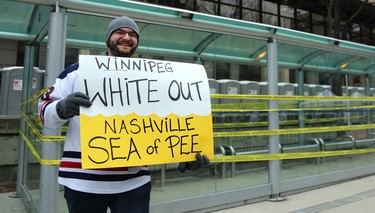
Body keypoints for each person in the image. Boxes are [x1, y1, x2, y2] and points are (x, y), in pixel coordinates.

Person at [39, 16, 209, 213]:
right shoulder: (76, 72)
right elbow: (43, 111)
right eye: (120, 32)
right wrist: (62, 108)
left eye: (132, 34)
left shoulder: (154, 78)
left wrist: (186, 151)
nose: (127, 37)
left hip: (134, 183)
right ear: (108, 38)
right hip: (83, 182)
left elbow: (166, 122)